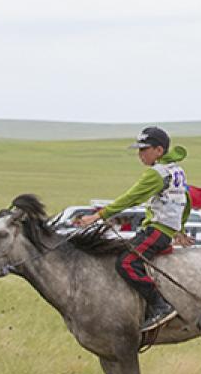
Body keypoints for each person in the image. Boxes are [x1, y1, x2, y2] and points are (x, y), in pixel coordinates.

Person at [74, 126, 193, 332]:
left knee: (127, 262)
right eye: (138, 150)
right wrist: (179, 229)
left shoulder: (156, 174)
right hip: (162, 230)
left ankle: (160, 306)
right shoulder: (175, 169)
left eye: (143, 149)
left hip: (157, 231)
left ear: (159, 150)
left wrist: (97, 216)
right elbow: (187, 200)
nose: (140, 155)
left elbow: (130, 198)